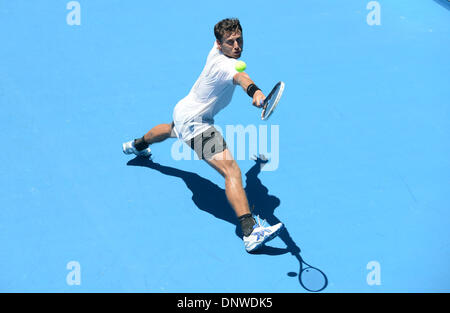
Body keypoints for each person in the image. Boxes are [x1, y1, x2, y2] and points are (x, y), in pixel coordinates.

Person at [122, 18, 283, 252]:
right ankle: (250, 232)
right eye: (230, 42)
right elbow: (241, 78)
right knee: (231, 171)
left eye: (239, 40)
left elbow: (253, 181)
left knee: (171, 129)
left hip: (183, 111)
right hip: (196, 123)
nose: (237, 46)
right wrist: (255, 91)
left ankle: (137, 144)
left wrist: (257, 168)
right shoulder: (226, 66)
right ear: (219, 44)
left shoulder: (215, 52)